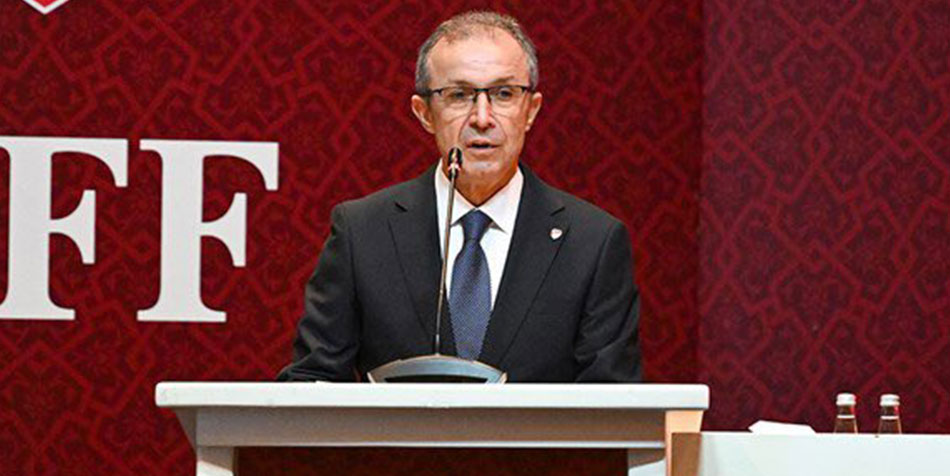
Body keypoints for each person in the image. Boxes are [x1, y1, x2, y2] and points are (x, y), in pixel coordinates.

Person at [278, 11, 641, 382]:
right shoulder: (363, 232)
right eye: (459, 95)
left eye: (503, 94)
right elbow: (311, 381)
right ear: (424, 113)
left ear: (530, 110)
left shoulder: (592, 242)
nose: (482, 118)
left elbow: (612, 402)